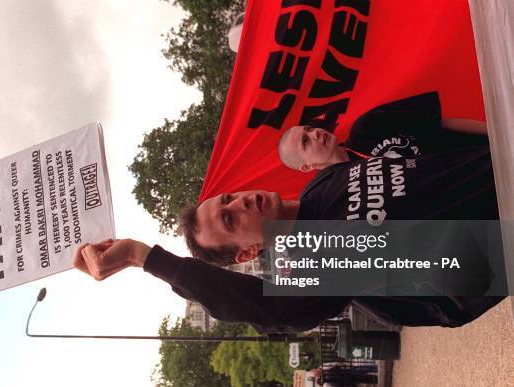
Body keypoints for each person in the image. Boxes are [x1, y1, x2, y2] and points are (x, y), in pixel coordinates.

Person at [74, 146, 504, 333]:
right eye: (230, 217)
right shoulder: (320, 261)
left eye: (230, 198)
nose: (242, 201)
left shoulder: (324, 182)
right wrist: (141, 256)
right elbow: (272, 309)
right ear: (248, 252)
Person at [278, 92, 488, 172]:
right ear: (307, 167)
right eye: (306, 141)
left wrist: (497, 134)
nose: (315, 133)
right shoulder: (351, 193)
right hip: (483, 182)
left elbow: (440, 122)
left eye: (310, 129)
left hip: (486, 149)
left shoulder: (366, 126)